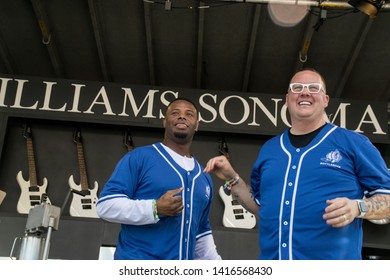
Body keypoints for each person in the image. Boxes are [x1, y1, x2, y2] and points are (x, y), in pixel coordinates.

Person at [204, 69, 390, 260]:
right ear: (287, 99)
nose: (305, 92)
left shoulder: (353, 143)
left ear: (325, 100)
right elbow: (262, 208)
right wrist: (232, 179)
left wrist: (359, 207)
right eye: (297, 87)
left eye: (313, 88)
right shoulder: (270, 149)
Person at [97, 98, 221, 260]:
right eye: (175, 113)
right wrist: (154, 208)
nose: (182, 117)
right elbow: (105, 206)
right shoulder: (139, 157)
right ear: (164, 121)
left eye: (189, 114)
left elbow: (201, 235)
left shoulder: (204, 176)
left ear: (197, 125)